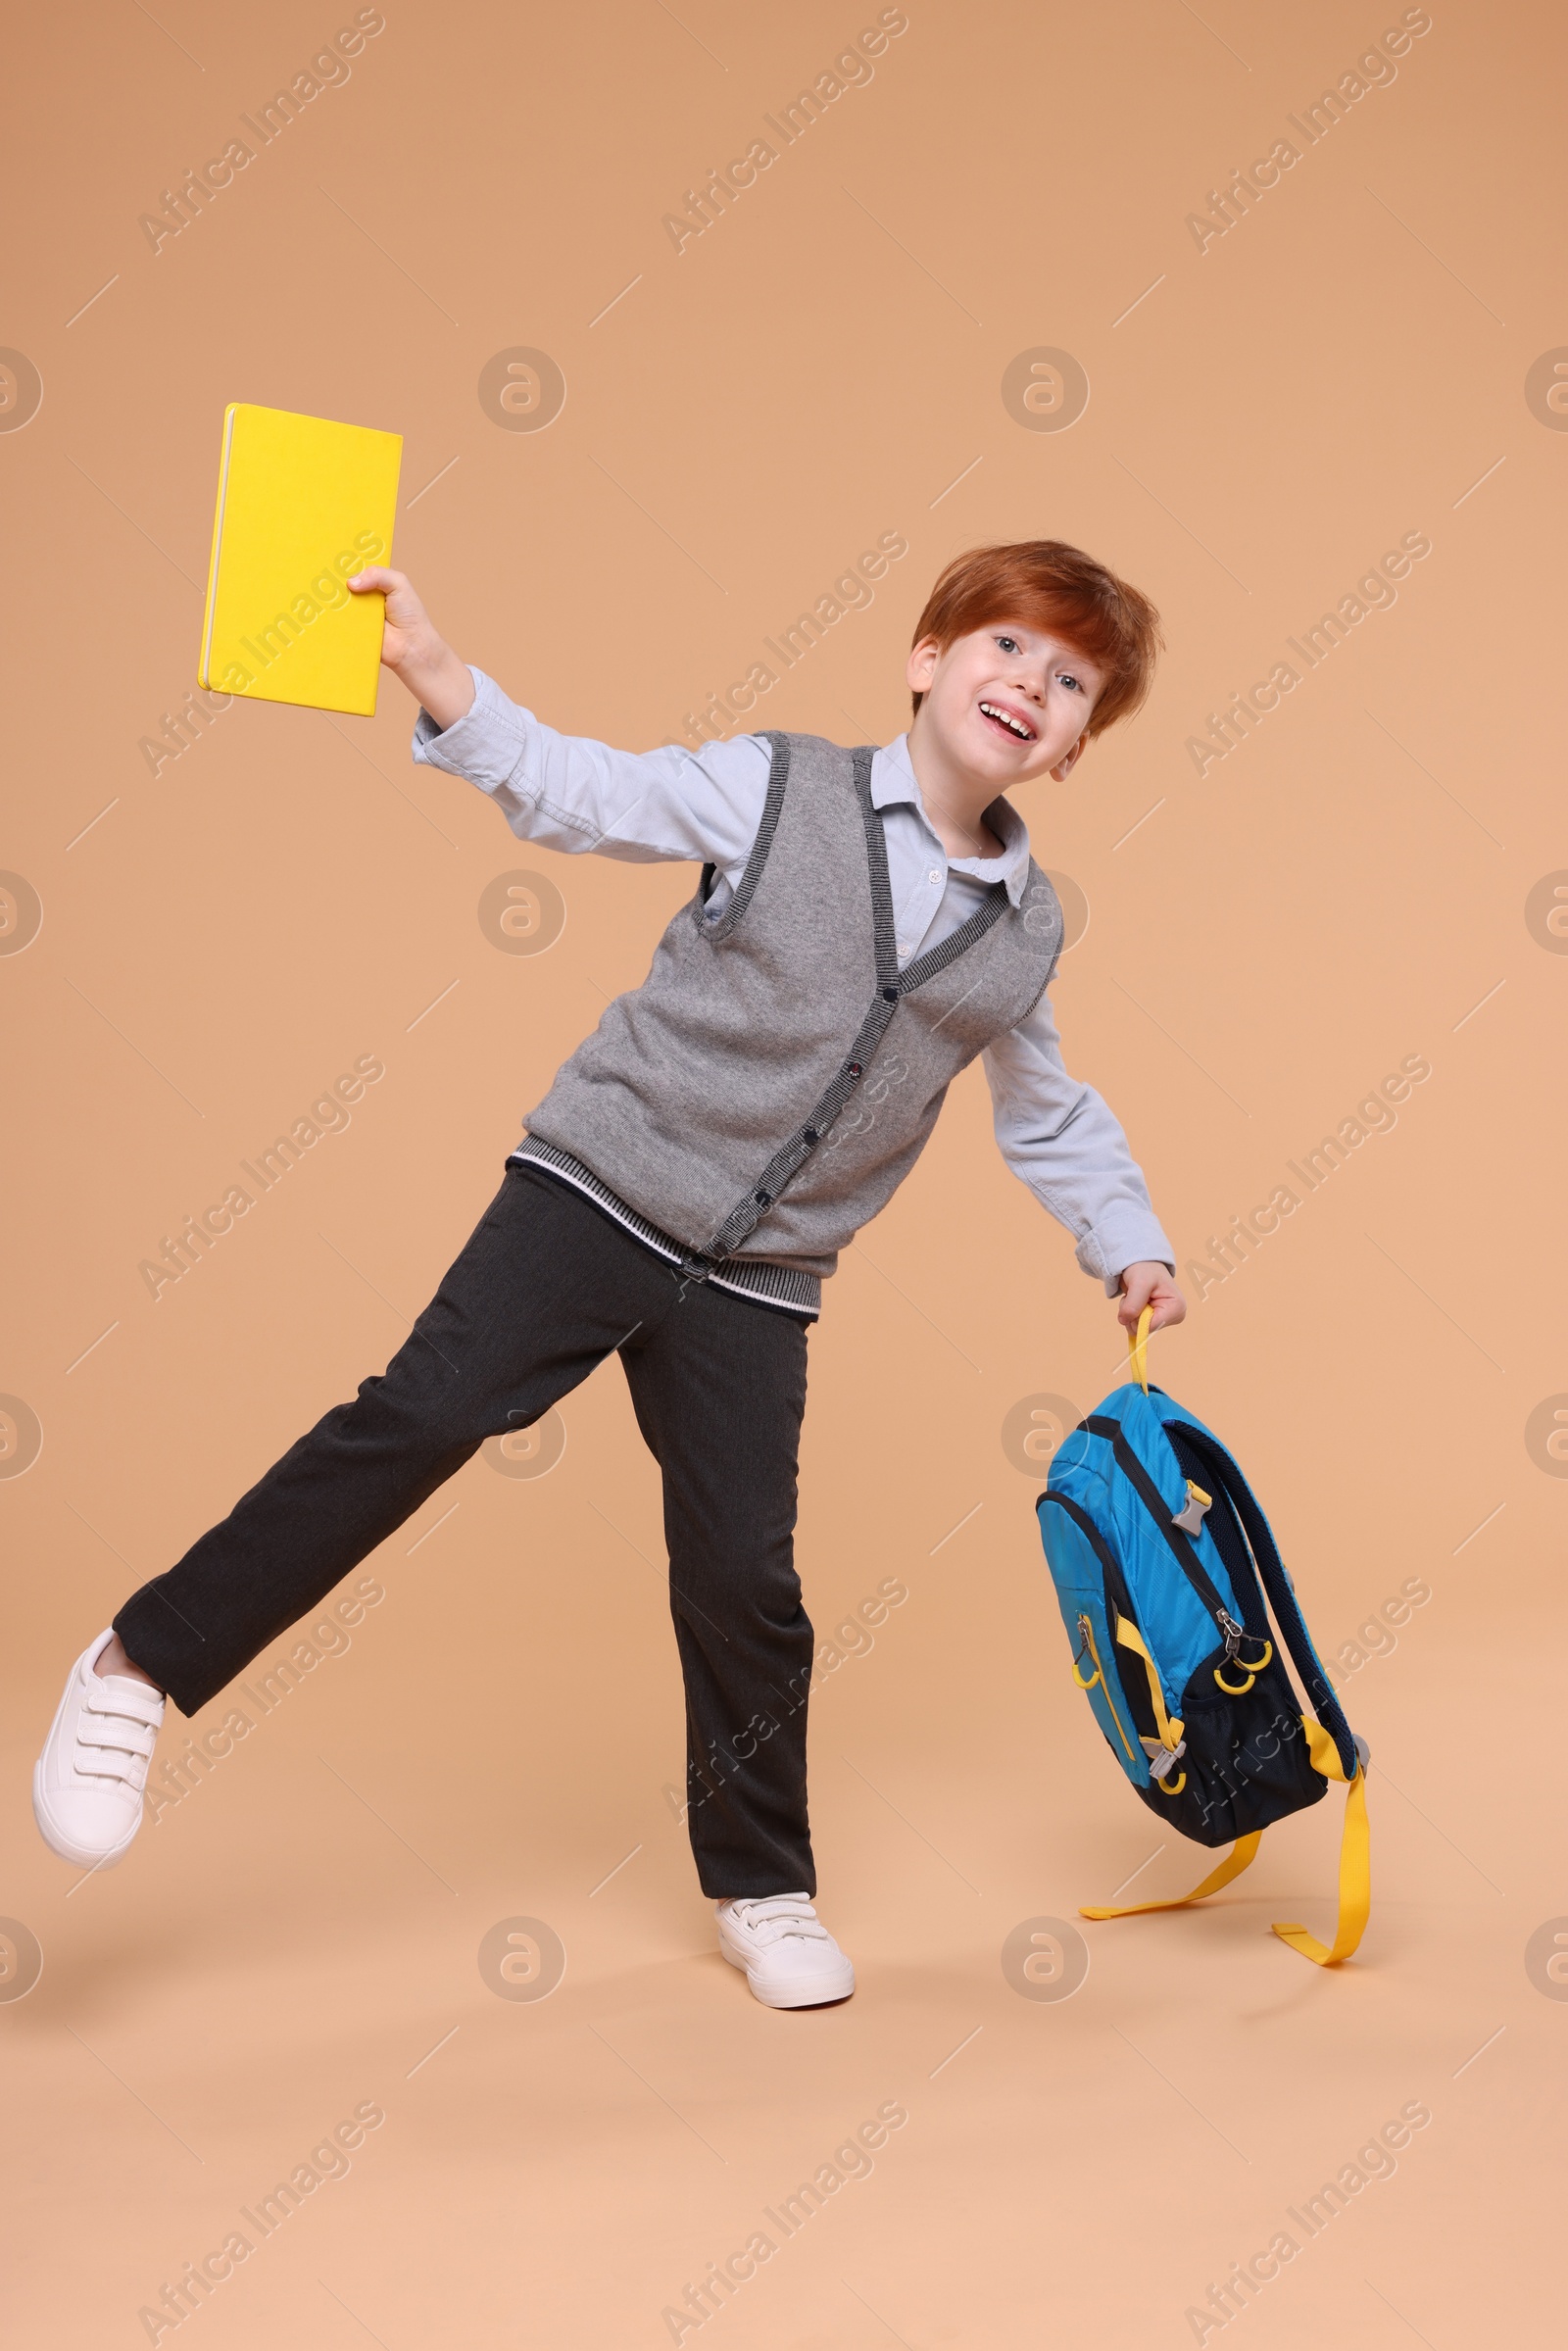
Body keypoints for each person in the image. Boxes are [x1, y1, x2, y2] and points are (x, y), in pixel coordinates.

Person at [33, 539, 1185, 2008]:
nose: (1030, 684)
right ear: (926, 657)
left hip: (764, 1275)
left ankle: (764, 1886)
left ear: (1080, 747)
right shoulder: (780, 788)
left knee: (745, 1580)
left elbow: (1048, 1109)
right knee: (426, 1418)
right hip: (600, 1186)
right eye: (1008, 648)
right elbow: (587, 790)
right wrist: (443, 680)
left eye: (1071, 680)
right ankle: (138, 1664)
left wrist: (1125, 1237)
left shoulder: (1023, 933)